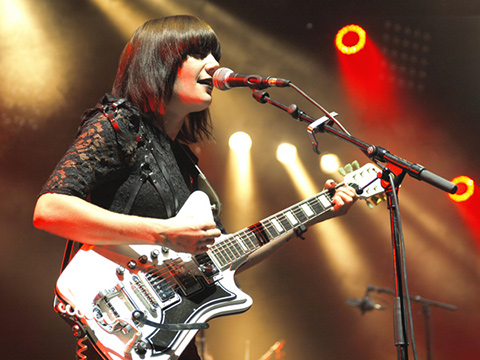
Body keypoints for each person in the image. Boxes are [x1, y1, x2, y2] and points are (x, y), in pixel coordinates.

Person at [33, 15, 357, 360]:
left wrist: (314, 214)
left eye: (214, 54)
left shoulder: (183, 160)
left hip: (168, 335)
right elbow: (50, 209)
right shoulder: (118, 125)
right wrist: (163, 233)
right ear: (160, 61)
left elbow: (223, 256)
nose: (215, 65)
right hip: (118, 315)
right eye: (199, 53)